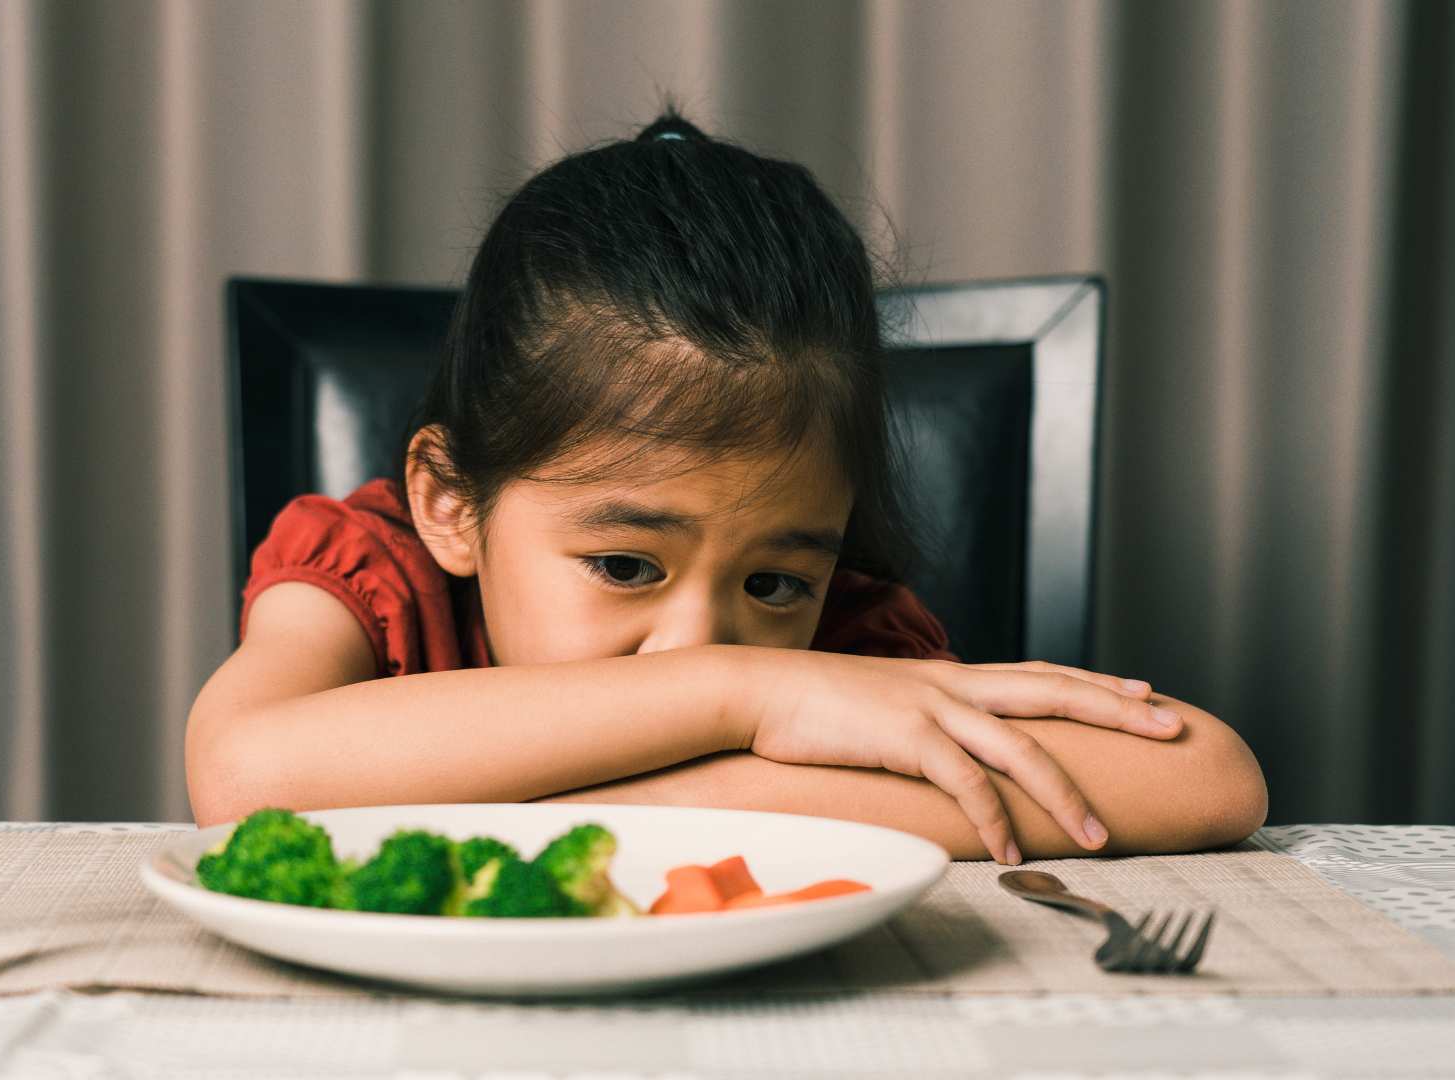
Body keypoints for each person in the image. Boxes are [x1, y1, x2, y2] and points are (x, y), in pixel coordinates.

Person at [186, 109, 1267, 863]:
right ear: (451, 504)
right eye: (623, 564)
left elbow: (1207, 780)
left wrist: (558, 800)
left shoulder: (851, 636)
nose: (701, 640)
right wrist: (751, 698)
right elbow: (240, 779)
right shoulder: (367, 562)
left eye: (774, 586)